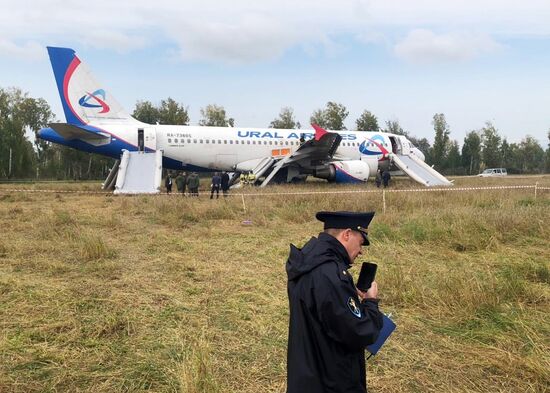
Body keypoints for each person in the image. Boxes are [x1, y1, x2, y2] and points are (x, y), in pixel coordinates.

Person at [286, 211, 384, 393]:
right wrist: (370, 302)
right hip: (330, 381)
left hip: (307, 375)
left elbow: (324, 313)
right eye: (361, 242)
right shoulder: (331, 275)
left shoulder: (308, 261)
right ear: (347, 234)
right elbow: (359, 332)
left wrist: (347, 295)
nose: (361, 250)